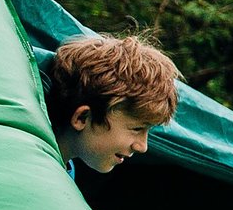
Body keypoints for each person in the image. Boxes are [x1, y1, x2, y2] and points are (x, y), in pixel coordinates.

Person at [43, 32, 180, 175]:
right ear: (82, 117)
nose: (142, 146)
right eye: (137, 128)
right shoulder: (35, 169)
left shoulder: (64, 170)